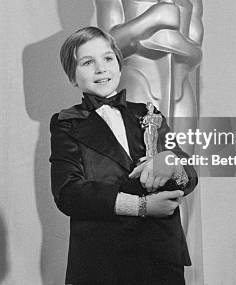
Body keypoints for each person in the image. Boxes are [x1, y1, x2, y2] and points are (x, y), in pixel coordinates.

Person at [49, 26, 197, 285]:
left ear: (119, 64)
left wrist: (170, 162)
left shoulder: (149, 113)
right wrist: (142, 207)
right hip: (104, 262)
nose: (101, 68)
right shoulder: (66, 123)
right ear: (72, 77)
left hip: (161, 258)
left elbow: (190, 175)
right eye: (87, 62)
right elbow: (68, 193)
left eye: (107, 58)